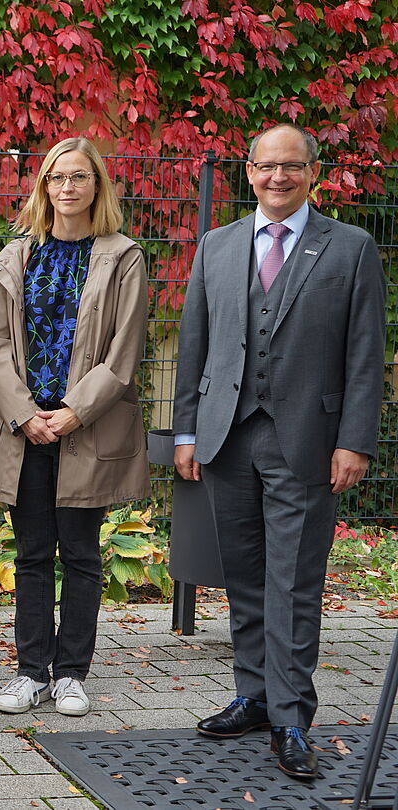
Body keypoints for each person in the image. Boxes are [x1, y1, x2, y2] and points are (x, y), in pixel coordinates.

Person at [173, 123, 384, 780]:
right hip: (228, 435)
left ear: (312, 173)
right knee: (244, 575)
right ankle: (255, 696)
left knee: (294, 582)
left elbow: (365, 358)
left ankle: (292, 717)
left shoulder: (350, 248)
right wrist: (185, 431)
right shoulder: (218, 245)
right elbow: (194, 346)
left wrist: (354, 440)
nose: (278, 177)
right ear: (249, 170)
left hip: (309, 442)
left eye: (292, 167)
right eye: (267, 166)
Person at [0, 138, 149, 718]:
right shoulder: (16, 256)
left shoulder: (123, 257)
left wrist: (74, 411)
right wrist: (25, 413)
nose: (66, 187)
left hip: (85, 428)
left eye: (78, 177)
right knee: (30, 554)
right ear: (43, 187)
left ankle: (71, 673)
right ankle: (30, 672)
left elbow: (124, 353)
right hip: (26, 431)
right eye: (56, 177)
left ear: (96, 185)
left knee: (79, 553)